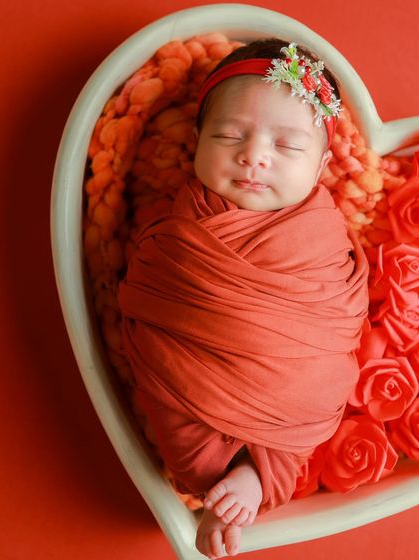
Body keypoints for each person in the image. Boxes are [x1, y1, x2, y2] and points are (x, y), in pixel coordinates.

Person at [118, 39, 369, 559]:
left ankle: (260, 472)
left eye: (288, 147)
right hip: (191, 373)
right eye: (230, 135)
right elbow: (152, 290)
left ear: (322, 164)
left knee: (315, 380)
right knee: (177, 401)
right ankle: (237, 477)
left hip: (296, 380)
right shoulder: (180, 224)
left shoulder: (322, 233)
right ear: (196, 141)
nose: (253, 156)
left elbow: (339, 313)